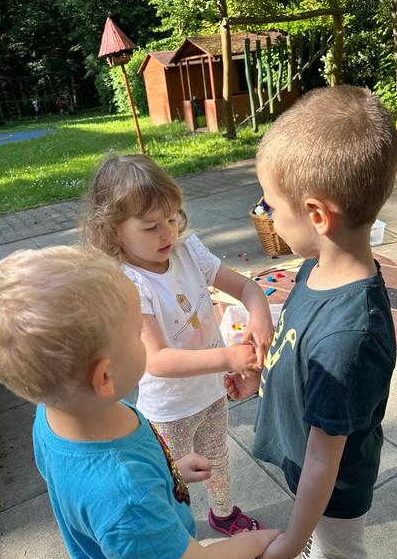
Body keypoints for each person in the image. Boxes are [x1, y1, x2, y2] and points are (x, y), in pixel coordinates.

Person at [0, 246, 281, 559]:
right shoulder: (126, 493)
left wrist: (171, 471)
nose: (147, 340)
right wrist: (253, 542)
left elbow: (112, 477)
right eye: (137, 334)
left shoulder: (57, 415)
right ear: (104, 376)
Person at [225, 85, 397, 559]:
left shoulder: (349, 337)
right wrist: (260, 377)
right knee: (321, 530)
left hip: (334, 479)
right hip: (307, 460)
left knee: (346, 552)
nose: (265, 215)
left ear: (318, 215)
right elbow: (296, 349)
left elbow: (326, 461)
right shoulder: (315, 266)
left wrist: (290, 539)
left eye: (271, 205)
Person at [83, 154, 275, 536]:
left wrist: (260, 315)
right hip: (169, 409)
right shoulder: (130, 283)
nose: (167, 233)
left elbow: (246, 287)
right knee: (171, 475)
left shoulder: (188, 252)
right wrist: (227, 357)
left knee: (218, 458)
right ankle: (172, 531)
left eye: (171, 219)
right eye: (151, 226)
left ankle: (223, 514)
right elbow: (156, 359)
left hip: (211, 392)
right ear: (113, 230)